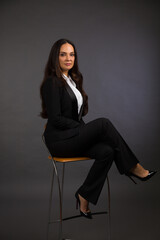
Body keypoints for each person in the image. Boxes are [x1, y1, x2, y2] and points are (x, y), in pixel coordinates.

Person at [40, 38, 156, 219]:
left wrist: (83, 131)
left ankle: (84, 194)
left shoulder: (72, 80)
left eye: (72, 54)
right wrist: (83, 129)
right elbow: (56, 119)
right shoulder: (52, 82)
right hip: (59, 141)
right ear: (56, 57)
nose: (68, 58)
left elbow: (75, 116)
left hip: (72, 136)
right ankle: (133, 167)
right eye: (63, 54)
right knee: (103, 123)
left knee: (107, 151)